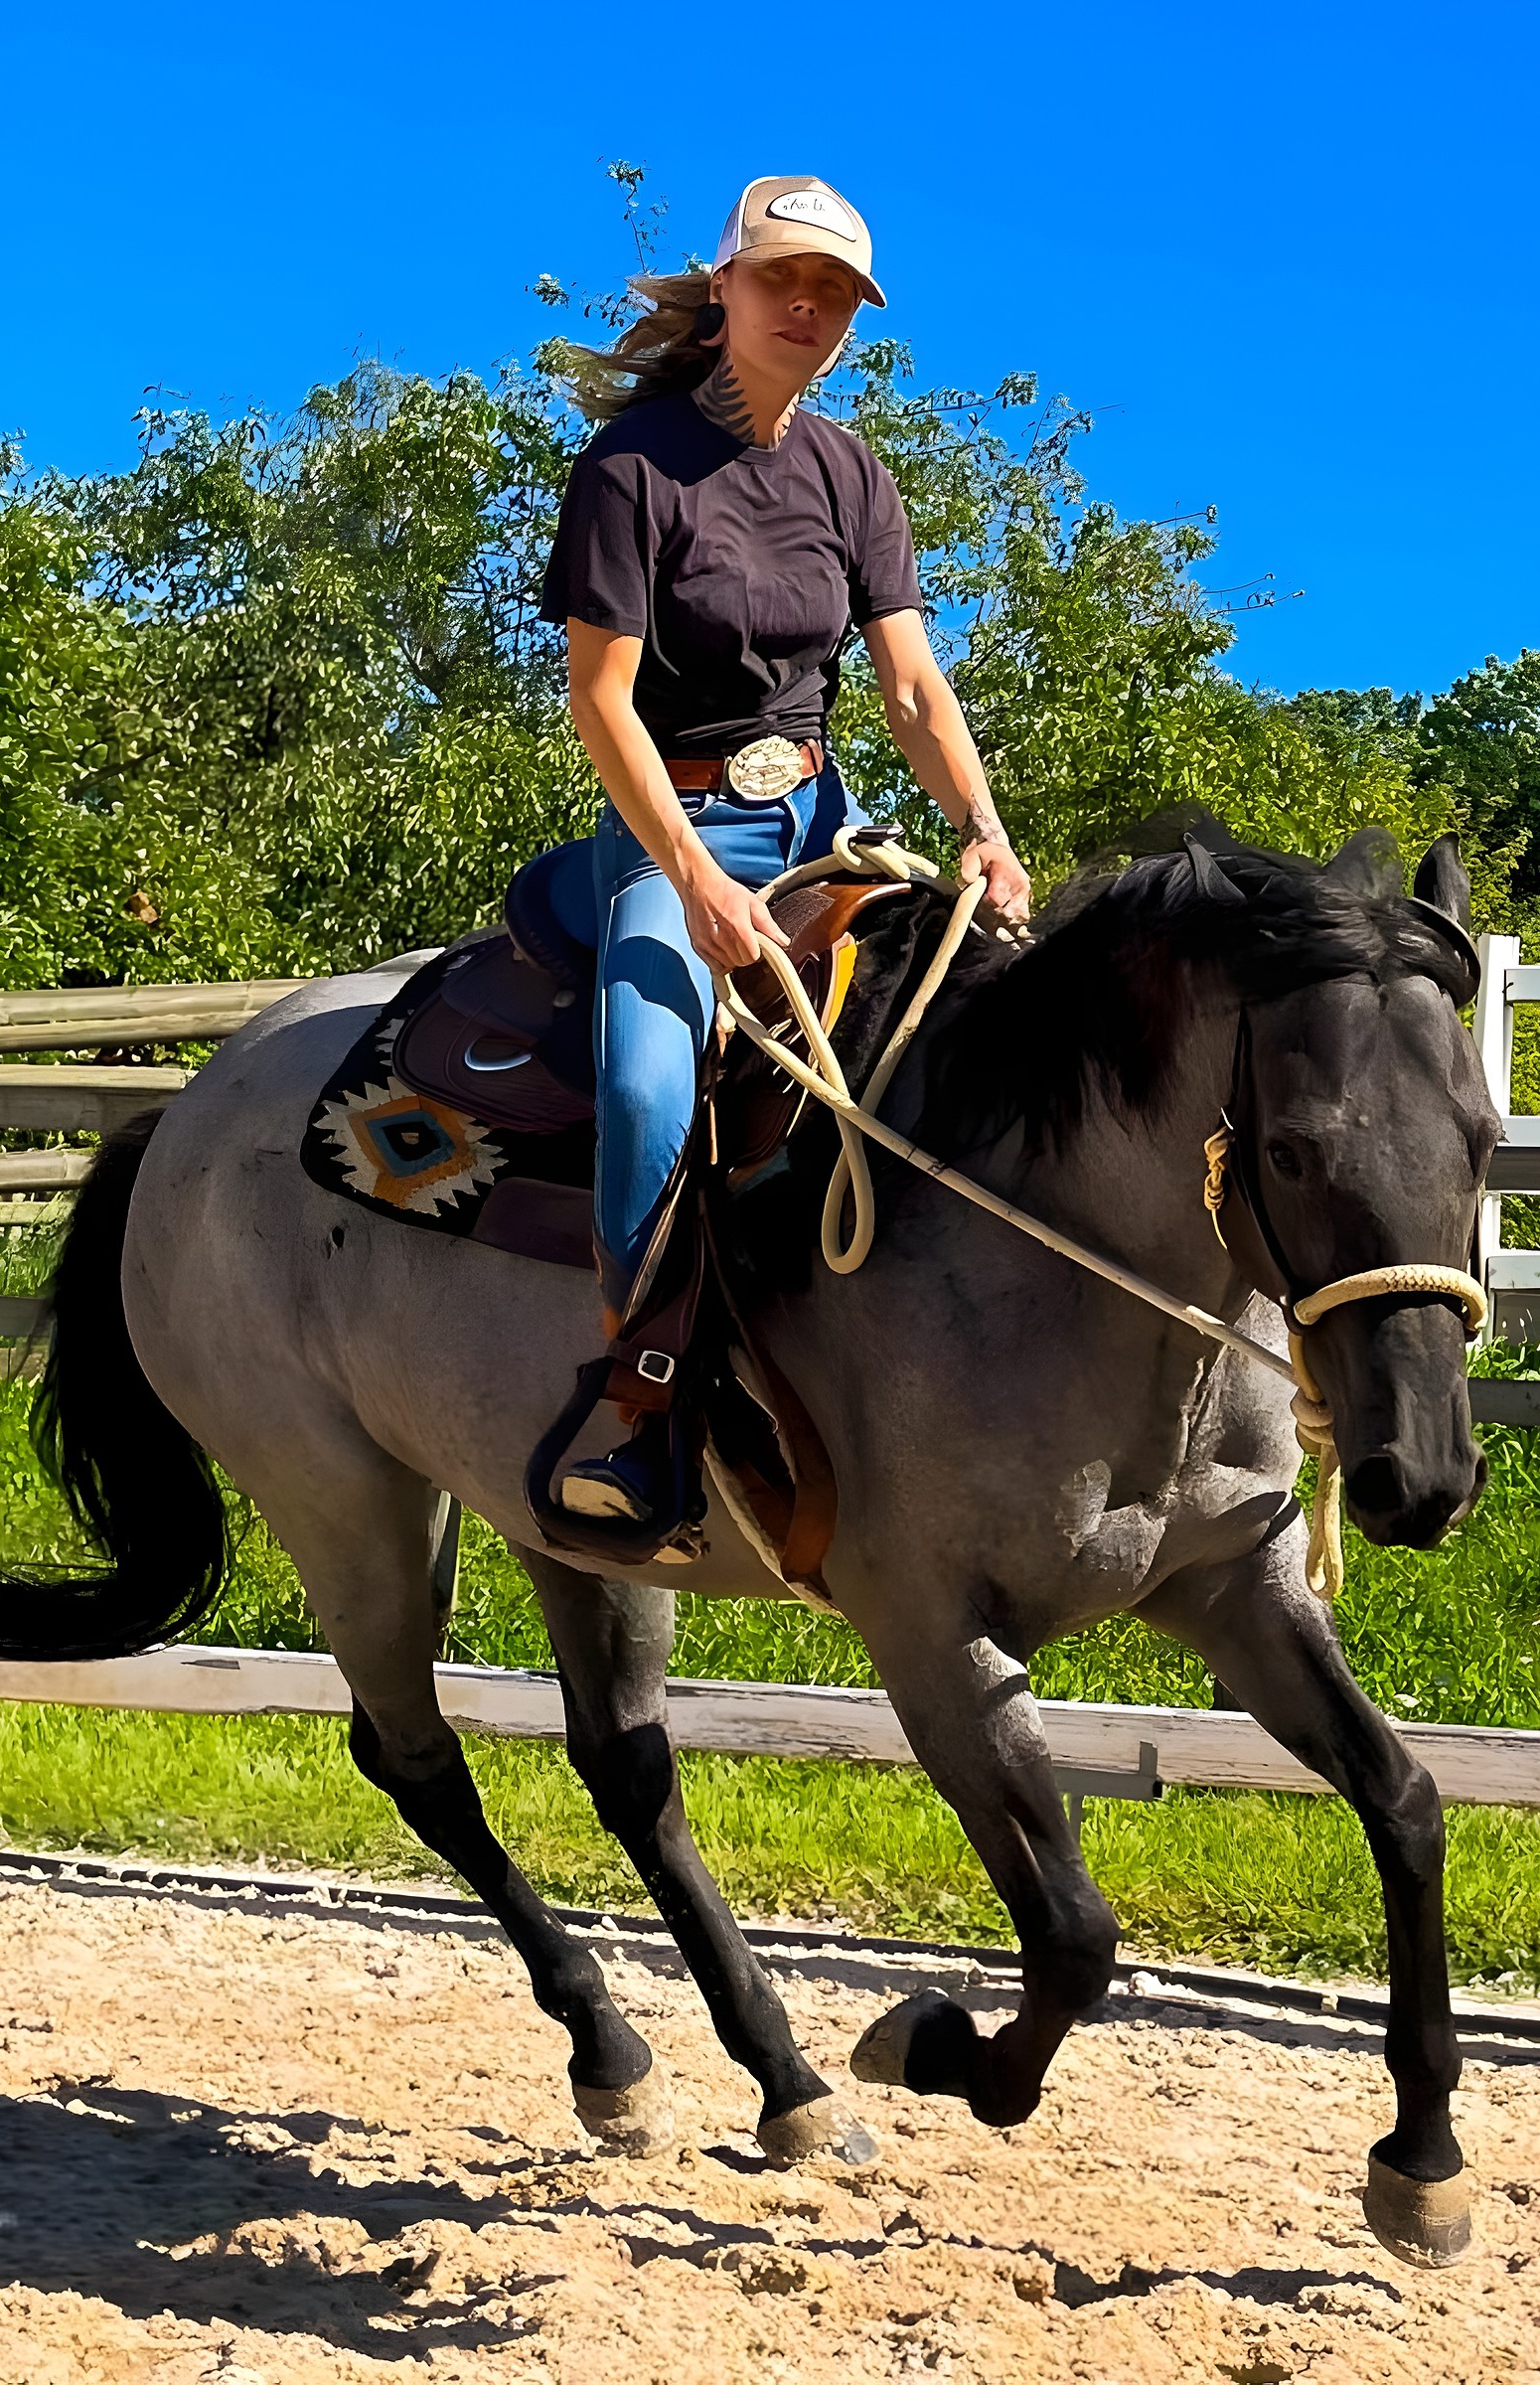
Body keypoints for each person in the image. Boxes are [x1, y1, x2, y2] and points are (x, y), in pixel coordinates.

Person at [539, 173, 1031, 1529]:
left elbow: (914, 692)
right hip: (672, 827)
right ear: (727, 288)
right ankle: (638, 1402)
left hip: (820, 821)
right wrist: (693, 879)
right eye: (782, 281)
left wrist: (983, 839)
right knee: (649, 1080)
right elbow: (600, 698)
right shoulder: (633, 464)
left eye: (835, 295)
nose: (807, 308)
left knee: (984, 1007)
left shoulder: (851, 471)